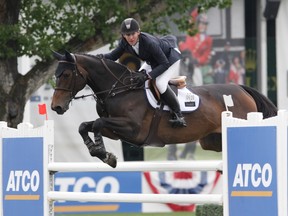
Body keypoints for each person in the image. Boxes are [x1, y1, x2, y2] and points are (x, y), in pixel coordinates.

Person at [102, 18, 186, 127]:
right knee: (136, 78)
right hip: (154, 61)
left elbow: (164, 64)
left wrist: (148, 75)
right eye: (127, 35)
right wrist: (99, 58)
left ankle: (179, 115)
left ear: (138, 32)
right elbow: (112, 56)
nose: (131, 37)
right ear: (123, 35)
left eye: (133, 34)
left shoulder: (148, 42)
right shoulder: (124, 42)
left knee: (160, 83)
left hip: (170, 58)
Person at [178, 9, 213, 86]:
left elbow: (206, 55)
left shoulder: (208, 39)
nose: (202, 26)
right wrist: (199, 9)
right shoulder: (192, 31)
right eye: (201, 23)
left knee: (198, 84)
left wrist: (198, 60)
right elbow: (192, 17)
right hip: (183, 60)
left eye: (204, 24)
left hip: (194, 63)